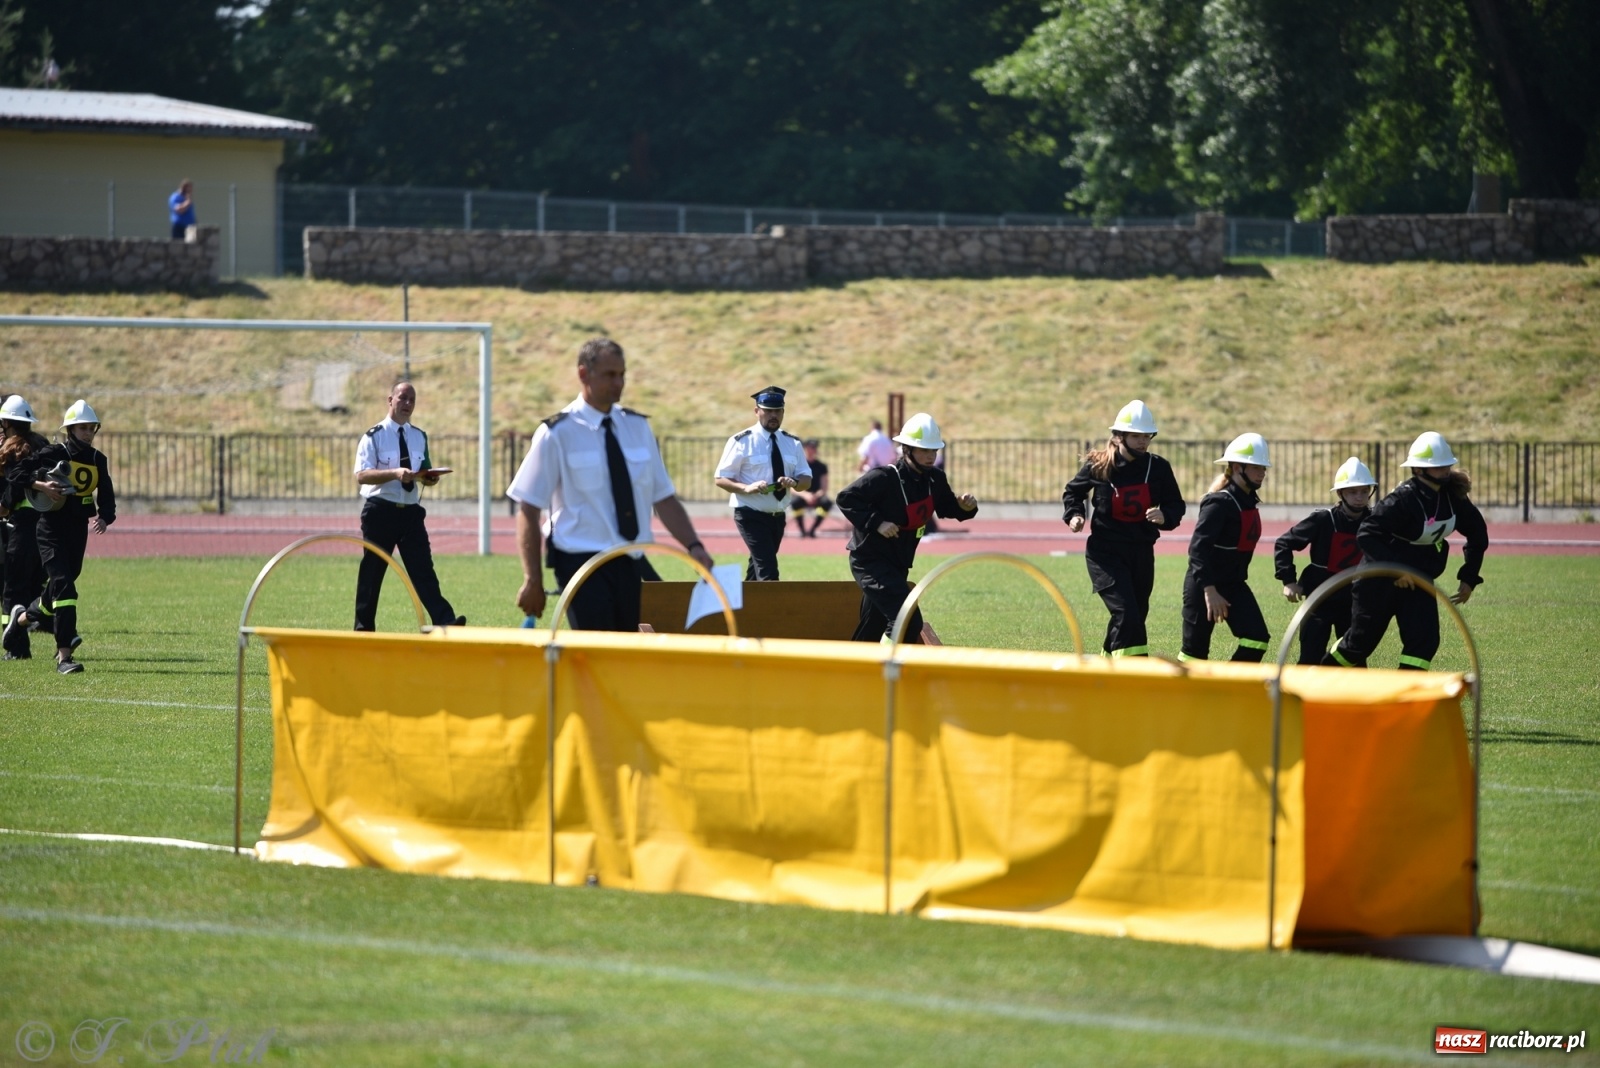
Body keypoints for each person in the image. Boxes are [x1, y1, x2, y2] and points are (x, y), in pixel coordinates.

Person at [509, 338, 715, 631]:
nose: (618, 382)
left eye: (622, 374)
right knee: (596, 653)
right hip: (580, 562)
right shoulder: (557, 433)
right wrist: (533, 579)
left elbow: (664, 498)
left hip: (629, 560)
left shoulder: (638, 428)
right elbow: (528, 507)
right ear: (583, 374)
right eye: (609, 374)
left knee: (623, 650)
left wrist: (695, 547)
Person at [1324, 432, 1488, 670]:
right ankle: (1321, 674)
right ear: (1419, 471)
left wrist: (1469, 577)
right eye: (1439, 467)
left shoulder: (1454, 498)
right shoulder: (1402, 500)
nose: (1445, 471)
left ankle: (1404, 696)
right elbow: (1367, 534)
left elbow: (1478, 534)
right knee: (1359, 644)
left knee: (1424, 643)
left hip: (1418, 580)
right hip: (1377, 580)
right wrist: (1396, 571)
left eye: (1446, 466)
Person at [837, 412, 978, 643]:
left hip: (898, 564)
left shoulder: (935, 479)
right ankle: (889, 673)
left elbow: (949, 508)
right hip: (870, 562)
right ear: (907, 450)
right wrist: (877, 523)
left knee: (873, 627)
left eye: (934, 450)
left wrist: (965, 507)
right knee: (907, 618)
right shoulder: (884, 477)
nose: (931, 456)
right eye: (924, 450)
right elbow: (846, 498)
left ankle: (853, 672)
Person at [1062, 400, 1186, 657]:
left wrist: (1166, 515)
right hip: (1104, 554)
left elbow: (1176, 504)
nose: (1143, 442)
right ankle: (1135, 670)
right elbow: (1073, 492)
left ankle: (1107, 664)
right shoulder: (1099, 465)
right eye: (1136, 436)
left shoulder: (1158, 467)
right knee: (1126, 612)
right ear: (1119, 437)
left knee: (1135, 614)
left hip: (1141, 552)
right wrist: (1075, 515)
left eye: (1147, 436)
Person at [352, 381, 463, 632]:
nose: (408, 404)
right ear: (390, 400)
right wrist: (394, 473)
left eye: (412, 399)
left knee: (423, 569)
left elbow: (423, 470)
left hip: (411, 514)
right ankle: (363, 629)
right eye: (403, 398)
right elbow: (362, 475)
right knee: (373, 571)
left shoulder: (419, 436)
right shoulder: (374, 436)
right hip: (380, 512)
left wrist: (429, 478)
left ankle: (445, 621)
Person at [17, 400, 115, 674]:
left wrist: (105, 516)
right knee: (65, 588)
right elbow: (17, 473)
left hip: (77, 530)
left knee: (63, 584)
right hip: (50, 529)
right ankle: (65, 656)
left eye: (90, 428)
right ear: (70, 429)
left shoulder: (98, 459)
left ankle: (22, 619)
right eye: (82, 428)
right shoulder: (52, 452)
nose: (87, 432)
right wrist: (41, 485)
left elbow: (106, 492)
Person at [1274, 457, 1375, 665]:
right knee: (1310, 657)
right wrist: (1288, 580)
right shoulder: (1323, 520)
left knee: (1355, 661)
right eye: (1353, 492)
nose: (1359, 497)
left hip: (1353, 601)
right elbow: (1284, 543)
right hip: (1319, 599)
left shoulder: (1375, 522)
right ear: (1340, 493)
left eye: (1364, 491)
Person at [1180, 433, 1271, 663]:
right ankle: (1178, 697)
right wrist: (1210, 591)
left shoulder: (1249, 501)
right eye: (1256, 467)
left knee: (1257, 638)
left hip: (1233, 584)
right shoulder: (1219, 503)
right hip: (1204, 586)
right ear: (1238, 468)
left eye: (1263, 467)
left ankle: (1226, 690)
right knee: (1194, 655)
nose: (1262, 472)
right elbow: (1197, 551)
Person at [714, 387, 811, 580]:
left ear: (783, 412)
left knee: (756, 568)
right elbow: (721, 478)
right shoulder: (741, 441)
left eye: (778, 411)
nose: (773, 415)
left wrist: (794, 482)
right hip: (750, 513)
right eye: (768, 410)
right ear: (757, 411)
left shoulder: (792, 443)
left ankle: (746, 607)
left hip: (777, 517)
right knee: (768, 570)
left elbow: (806, 479)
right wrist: (746, 488)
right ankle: (773, 610)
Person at [1, 395, 49, 660]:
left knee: (13, 588)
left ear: (7, 422)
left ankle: (16, 649)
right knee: (35, 586)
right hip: (47, 525)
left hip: (23, 526)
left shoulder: (13, 449)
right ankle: (58, 629)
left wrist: (4, 505)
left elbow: (16, 486)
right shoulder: (41, 444)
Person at [788, 438, 833, 538]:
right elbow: (792, 486)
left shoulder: (822, 466)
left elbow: (824, 487)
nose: (812, 450)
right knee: (795, 502)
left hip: (816, 496)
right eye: (810, 447)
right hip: (802, 494)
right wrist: (806, 495)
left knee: (826, 503)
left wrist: (816, 496)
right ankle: (802, 530)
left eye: (814, 447)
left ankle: (813, 529)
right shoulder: (797, 465)